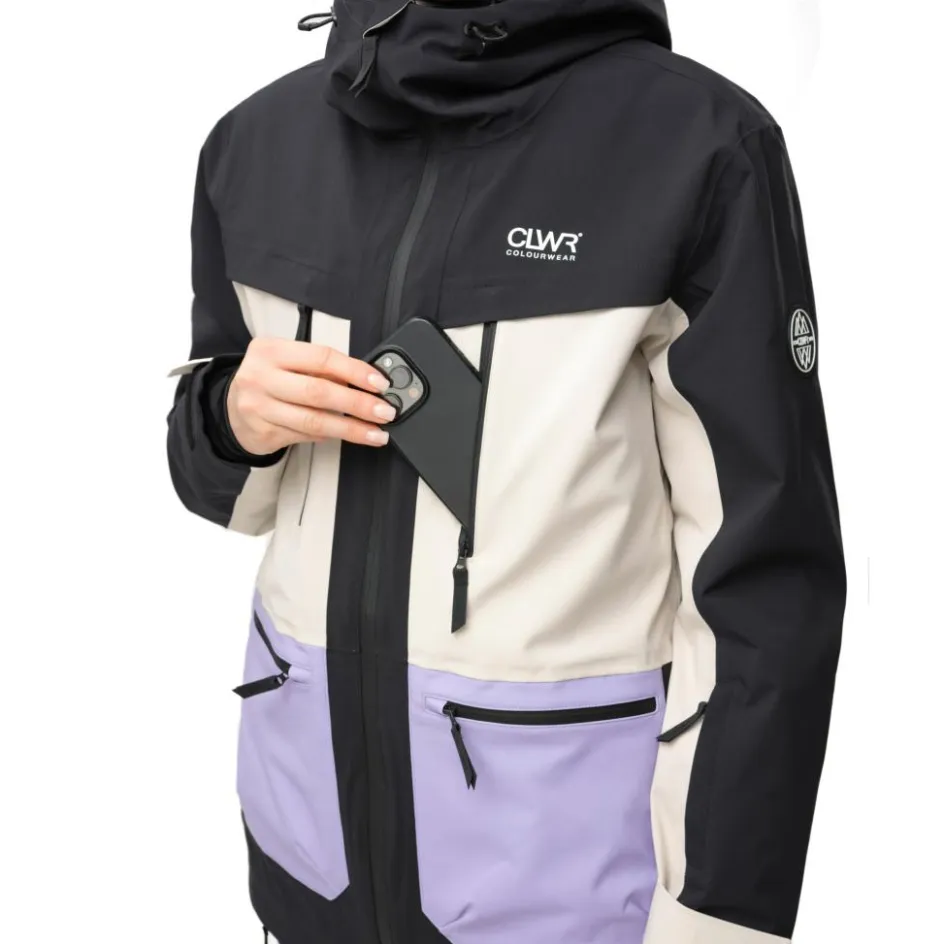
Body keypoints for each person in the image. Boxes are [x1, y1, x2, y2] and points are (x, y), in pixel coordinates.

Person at [166, 1, 846, 942]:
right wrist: (232, 417)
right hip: (306, 854)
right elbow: (223, 486)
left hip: (568, 891)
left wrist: (717, 918)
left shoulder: (696, 146)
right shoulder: (256, 143)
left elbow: (766, 578)